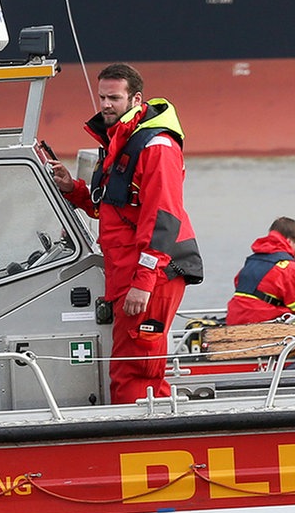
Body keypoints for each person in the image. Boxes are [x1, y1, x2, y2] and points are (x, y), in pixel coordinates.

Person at [47, 63, 203, 403]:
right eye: (102, 97)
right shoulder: (122, 142)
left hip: (152, 274)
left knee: (136, 370)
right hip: (130, 273)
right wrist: (73, 189)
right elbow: (114, 210)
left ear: (136, 99)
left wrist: (143, 282)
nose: (105, 105)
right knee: (135, 366)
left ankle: (136, 445)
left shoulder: (155, 147)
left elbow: (163, 217)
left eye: (114, 98)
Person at [224, 217, 295, 325]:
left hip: (235, 318)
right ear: (289, 241)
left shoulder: (253, 260)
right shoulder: (289, 268)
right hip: (262, 321)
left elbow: (238, 283)